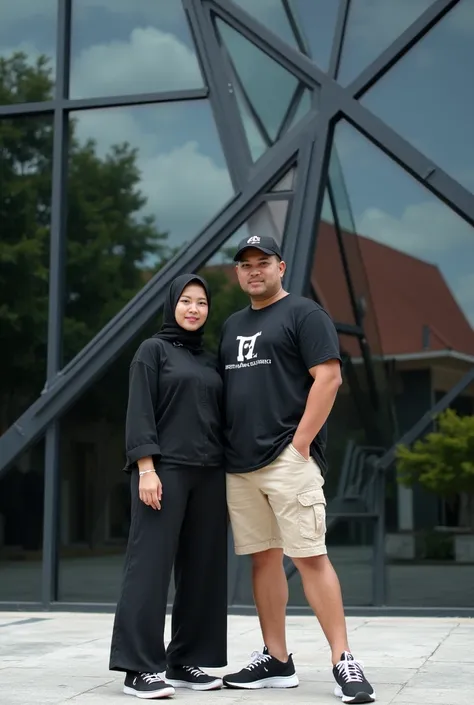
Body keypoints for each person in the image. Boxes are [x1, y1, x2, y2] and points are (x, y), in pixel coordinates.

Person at [219, 235, 376, 704]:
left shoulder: (305, 314)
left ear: (280, 267)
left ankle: (343, 660)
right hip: (241, 465)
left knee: (309, 556)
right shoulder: (230, 326)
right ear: (238, 273)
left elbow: (329, 378)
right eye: (245, 264)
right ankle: (277, 659)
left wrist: (301, 444)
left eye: (262, 262)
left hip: (288, 459)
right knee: (263, 558)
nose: (253, 271)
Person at [109, 274, 227, 699]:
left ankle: (184, 661)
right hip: (165, 471)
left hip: (210, 474)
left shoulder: (210, 360)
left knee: (202, 572)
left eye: (201, 303)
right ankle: (138, 668)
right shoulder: (152, 351)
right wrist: (146, 468)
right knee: (150, 570)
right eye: (186, 301)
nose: (194, 309)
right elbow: (139, 412)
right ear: (172, 305)